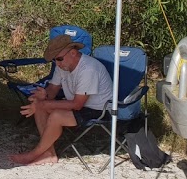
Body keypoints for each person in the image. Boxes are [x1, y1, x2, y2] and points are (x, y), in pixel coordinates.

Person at [10, 34, 114, 166]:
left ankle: (35, 154)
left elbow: (77, 104)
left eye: (59, 59)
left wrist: (44, 103)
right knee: (41, 106)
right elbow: (52, 90)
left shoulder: (88, 69)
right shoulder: (63, 65)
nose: (57, 63)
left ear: (73, 53)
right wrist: (43, 96)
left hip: (100, 109)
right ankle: (49, 153)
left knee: (56, 116)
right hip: (80, 105)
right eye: (54, 60)